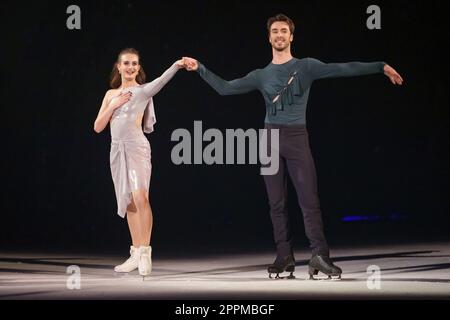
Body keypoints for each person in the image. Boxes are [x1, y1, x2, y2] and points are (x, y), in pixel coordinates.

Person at [183, 14, 403, 279]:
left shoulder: (306, 67)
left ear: (291, 36)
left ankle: (319, 255)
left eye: (284, 31)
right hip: (269, 141)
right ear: (269, 37)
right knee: (276, 203)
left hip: (297, 139)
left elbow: (343, 68)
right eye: (274, 31)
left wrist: (380, 66)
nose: (279, 35)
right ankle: (284, 256)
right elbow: (226, 88)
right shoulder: (260, 75)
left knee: (309, 201)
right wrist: (200, 69)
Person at [94, 48, 186, 276]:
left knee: (141, 197)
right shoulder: (109, 94)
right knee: (128, 202)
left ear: (138, 67)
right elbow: (97, 127)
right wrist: (113, 104)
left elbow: (162, 80)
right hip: (117, 150)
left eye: (134, 63)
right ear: (119, 66)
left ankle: (145, 252)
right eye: (126, 63)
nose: (131, 67)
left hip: (136, 148)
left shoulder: (143, 91)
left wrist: (176, 64)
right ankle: (135, 253)